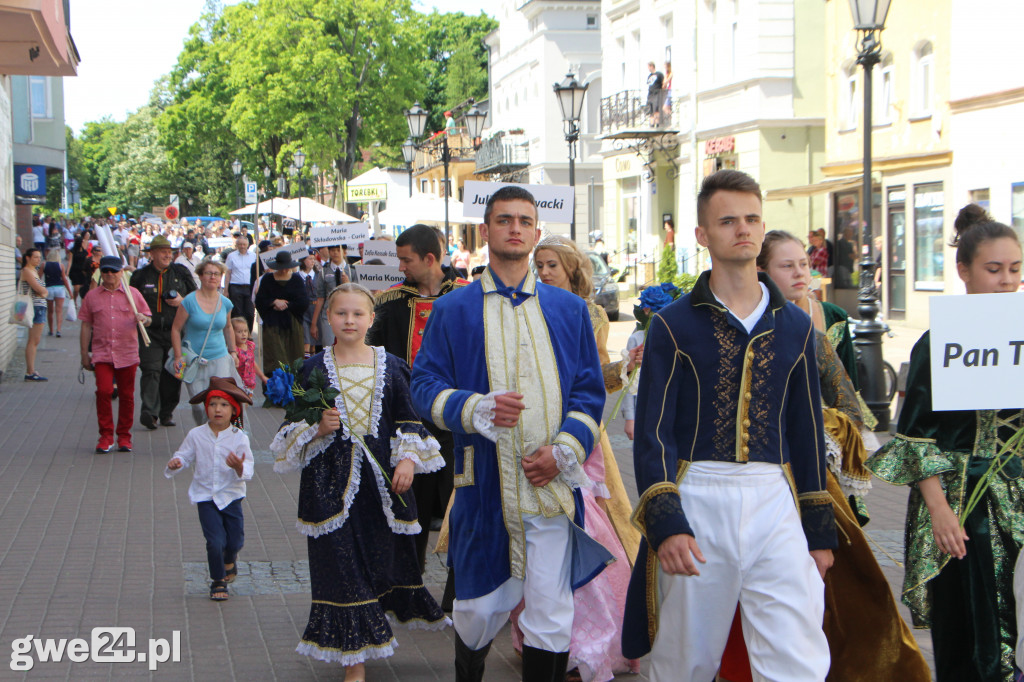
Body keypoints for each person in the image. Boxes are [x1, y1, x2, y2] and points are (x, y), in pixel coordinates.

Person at [622, 170, 836, 681]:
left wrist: (818, 530)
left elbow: (806, 430)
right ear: (702, 235)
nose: (743, 229)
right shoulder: (675, 324)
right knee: (684, 656)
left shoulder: (796, 326)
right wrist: (667, 521)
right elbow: (654, 432)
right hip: (700, 494)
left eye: (752, 218)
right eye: (727, 221)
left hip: (773, 497)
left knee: (798, 654)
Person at [410, 186, 610, 682]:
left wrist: (564, 452)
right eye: (504, 220)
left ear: (536, 232)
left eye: (524, 220)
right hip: (485, 489)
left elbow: (589, 392)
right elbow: (424, 385)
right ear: (486, 231)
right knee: (478, 610)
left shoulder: (569, 311)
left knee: (551, 612)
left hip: (551, 489)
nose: (515, 228)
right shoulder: (453, 309)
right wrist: (474, 407)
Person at [715, 230, 930, 682]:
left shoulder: (815, 330)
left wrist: (812, 423)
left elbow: (852, 408)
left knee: (823, 587)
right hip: (736, 480)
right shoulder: (728, 324)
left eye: (803, 264)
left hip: (806, 479)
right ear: (762, 273)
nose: (800, 274)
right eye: (787, 266)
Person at [866, 204, 1024, 681]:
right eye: (993, 269)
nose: (1005, 281)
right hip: (961, 505)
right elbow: (915, 438)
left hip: (1018, 498)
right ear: (964, 270)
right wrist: (939, 511)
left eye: (1014, 269)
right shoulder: (937, 344)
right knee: (969, 633)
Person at [270, 283, 449, 678]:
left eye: (357, 314)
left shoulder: (394, 365)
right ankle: (355, 661)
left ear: (371, 319)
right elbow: (289, 432)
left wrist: (406, 459)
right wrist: (317, 428)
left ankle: (373, 631)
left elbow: (409, 418)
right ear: (326, 319)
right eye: (340, 313)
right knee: (341, 568)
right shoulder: (312, 369)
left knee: (377, 563)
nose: (349, 321)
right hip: (328, 488)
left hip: (382, 488)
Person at [521, 235, 642, 681]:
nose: (545, 271)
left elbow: (596, 377)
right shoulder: (525, 306)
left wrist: (624, 366)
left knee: (589, 522)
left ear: (572, 269)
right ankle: (545, 637)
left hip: (578, 434)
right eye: (540, 264)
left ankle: (591, 638)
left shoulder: (590, 314)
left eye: (552, 264)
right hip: (532, 426)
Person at [366, 224, 467, 574]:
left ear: (429, 258)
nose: (401, 267)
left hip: (459, 421)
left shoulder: (469, 295)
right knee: (411, 509)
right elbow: (369, 355)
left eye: (406, 260)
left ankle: (459, 595)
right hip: (409, 422)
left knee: (461, 509)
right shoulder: (389, 302)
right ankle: (409, 586)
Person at [165, 377, 254, 601]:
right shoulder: (196, 435)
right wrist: (176, 462)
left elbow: (249, 469)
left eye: (223, 405)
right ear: (206, 408)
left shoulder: (239, 438)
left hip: (231, 495)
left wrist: (238, 466)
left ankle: (230, 558)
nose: (217, 409)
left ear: (233, 410)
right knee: (215, 541)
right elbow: (183, 455)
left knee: (235, 541)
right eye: (213, 404)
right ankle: (218, 581)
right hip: (205, 496)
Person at [79, 256, 152, 453]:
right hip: (102, 353)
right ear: (100, 273)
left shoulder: (132, 293)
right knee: (103, 391)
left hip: (127, 352)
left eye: (113, 271)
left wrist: (143, 319)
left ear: (121, 272)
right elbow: (86, 325)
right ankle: (105, 435)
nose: (109, 275)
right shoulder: (92, 296)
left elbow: (148, 319)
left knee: (127, 395)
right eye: (105, 271)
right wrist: (84, 354)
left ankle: (124, 436)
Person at [130, 234, 198, 430]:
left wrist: (181, 300)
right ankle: (149, 412)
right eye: (163, 252)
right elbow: (131, 301)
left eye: (169, 252)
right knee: (151, 370)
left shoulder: (181, 272)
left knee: (174, 374)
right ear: (152, 254)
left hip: (176, 333)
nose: (167, 255)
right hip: (150, 332)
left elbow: (195, 298)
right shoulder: (140, 276)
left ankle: (166, 412)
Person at [171, 258, 243, 426]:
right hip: (194, 359)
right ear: (201, 276)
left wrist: (233, 351)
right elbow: (175, 329)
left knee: (221, 401)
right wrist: (178, 356)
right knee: (199, 404)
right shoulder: (189, 301)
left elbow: (227, 327)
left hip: (220, 358)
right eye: (209, 273)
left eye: (217, 274)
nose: (213, 277)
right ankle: (203, 435)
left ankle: (220, 438)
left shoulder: (225, 302)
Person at [255, 251, 309, 389]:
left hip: (292, 324)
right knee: (276, 357)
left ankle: (294, 391)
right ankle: (276, 392)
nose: (284, 270)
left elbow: (303, 302)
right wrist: (274, 302)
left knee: (294, 356)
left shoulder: (296, 279)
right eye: (282, 267)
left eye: (287, 267)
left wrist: (287, 305)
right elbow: (260, 300)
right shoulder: (267, 279)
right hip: (273, 324)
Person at [310, 244, 350, 350]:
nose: (335, 253)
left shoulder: (351, 270)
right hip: (328, 313)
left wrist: (348, 283)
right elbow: (320, 298)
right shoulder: (324, 272)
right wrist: (314, 324)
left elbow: (358, 294)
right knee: (329, 347)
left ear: (344, 252)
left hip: (348, 313)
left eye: (338, 250)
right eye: (332, 250)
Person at [20, 249, 49, 382]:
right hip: (34, 306)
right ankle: (30, 371)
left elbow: (43, 291)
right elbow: (39, 289)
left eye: (39, 257)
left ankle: (31, 370)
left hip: (40, 306)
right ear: (27, 258)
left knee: (36, 340)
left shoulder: (34, 271)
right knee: (33, 340)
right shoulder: (27, 271)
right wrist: (43, 292)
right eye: (35, 257)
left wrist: (43, 292)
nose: (38, 260)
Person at [225, 235, 257, 331]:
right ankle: (237, 333)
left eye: (244, 244)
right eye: (240, 244)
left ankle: (248, 333)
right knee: (237, 312)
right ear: (237, 245)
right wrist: (226, 290)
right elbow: (228, 273)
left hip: (249, 287)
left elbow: (257, 273)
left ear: (247, 245)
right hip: (235, 287)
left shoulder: (253, 256)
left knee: (250, 313)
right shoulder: (231, 256)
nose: (242, 246)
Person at [231, 318, 265, 398]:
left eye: (245, 331)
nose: (243, 334)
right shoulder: (234, 350)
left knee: (246, 404)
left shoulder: (250, 346)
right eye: (239, 332)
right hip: (237, 383)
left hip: (249, 382)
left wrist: (262, 376)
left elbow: (252, 363)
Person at [43, 248, 72, 337]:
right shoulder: (61, 265)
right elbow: (64, 279)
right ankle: (58, 330)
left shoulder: (44, 265)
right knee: (59, 311)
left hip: (49, 288)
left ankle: (51, 330)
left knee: (50, 311)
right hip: (59, 288)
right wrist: (70, 292)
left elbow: (38, 276)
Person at [297, 250, 318, 357]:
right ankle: (306, 357)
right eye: (310, 259)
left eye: (313, 259)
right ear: (303, 260)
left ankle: (313, 357)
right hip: (303, 308)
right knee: (306, 335)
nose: (312, 261)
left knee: (314, 336)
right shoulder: (297, 276)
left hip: (315, 307)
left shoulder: (318, 275)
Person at [69, 235, 91, 302]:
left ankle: (82, 302)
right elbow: (70, 261)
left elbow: (87, 262)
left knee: (82, 288)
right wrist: (67, 271)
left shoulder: (85, 252)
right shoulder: (72, 251)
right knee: (76, 289)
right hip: (74, 271)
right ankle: (74, 299)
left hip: (82, 271)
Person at [646, 61, 665, 126]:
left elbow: (663, 84)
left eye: (648, 67)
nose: (648, 68)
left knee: (656, 109)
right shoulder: (649, 76)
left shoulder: (659, 74)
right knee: (651, 111)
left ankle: (657, 124)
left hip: (657, 94)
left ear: (652, 66)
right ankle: (651, 124)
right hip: (650, 94)